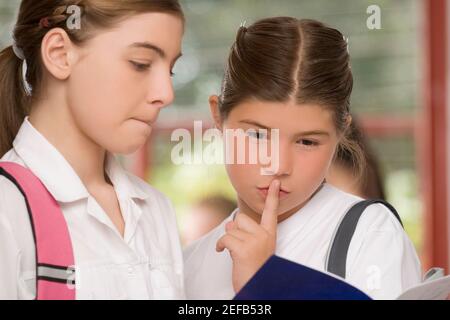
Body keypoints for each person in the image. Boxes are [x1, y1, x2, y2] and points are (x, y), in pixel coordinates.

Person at [183, 17, 422, 300]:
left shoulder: (371, 233)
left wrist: (266, 284)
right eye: (258, 136)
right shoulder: (188, 266)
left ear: (341, 131)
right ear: (218, 117)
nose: (279, 165)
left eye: (307, 142)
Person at [0, 0, 185, 299]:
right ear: (59, 54)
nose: (166, 93)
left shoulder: (155, 209)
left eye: (171, 70)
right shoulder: (7, 211)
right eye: (141, 63)